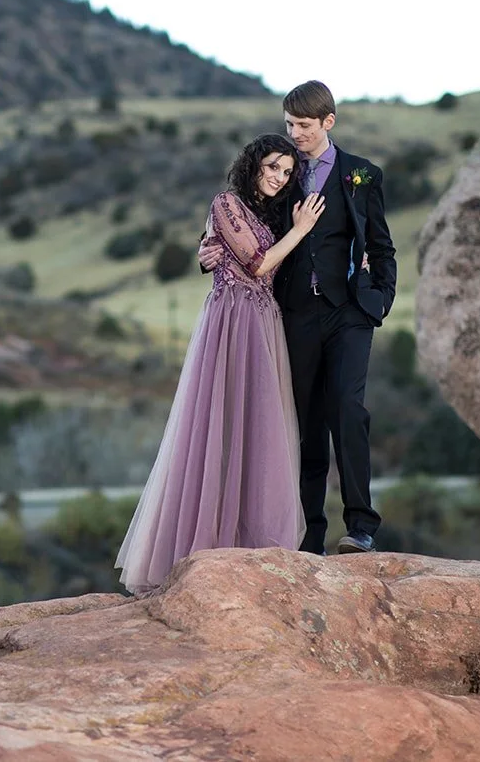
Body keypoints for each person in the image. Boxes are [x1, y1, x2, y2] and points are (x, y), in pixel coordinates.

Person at [115, 133, 325, 594]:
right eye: (272, 167)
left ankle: (250, 546)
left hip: (264, 324)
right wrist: (300, 230)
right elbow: (257, 263)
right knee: (217, 429)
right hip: (232, 323)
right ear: (253, 164)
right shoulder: (226, 203)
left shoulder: (269, 212)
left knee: (260, 431)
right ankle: (203, 547)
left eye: (287, 172)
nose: (279, 177)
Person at [200, 80, 396, 555]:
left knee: (347, 410)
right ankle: (311, 538)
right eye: (289, 124)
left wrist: (380, 298)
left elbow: (381, 246)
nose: (295, 133)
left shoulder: (361, 174)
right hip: (293, 314)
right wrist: (209, 246)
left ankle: (361, 527)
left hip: (349, 313)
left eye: (304, 125)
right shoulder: (281, 175)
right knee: (305, 423)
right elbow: (242, 217)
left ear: (329, 121)